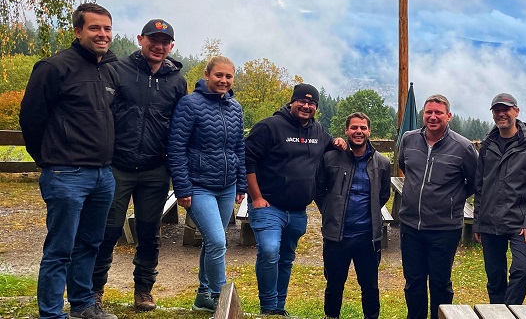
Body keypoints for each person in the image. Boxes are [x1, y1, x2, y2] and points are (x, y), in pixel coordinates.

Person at [19, 3, 119, 319]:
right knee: (60, 249)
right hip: (66, 173)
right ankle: (51, 313)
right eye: (94, 28)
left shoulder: (109, 70)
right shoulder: (53, 68)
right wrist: (48, 160)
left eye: (107, 28)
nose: (102, 34)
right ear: (78, 31)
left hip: (103, 174)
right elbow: (31, 118)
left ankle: (83, 305)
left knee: (89, 244)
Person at [92, 19, 187, 311]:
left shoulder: (177, 81)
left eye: (164, 42)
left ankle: (143, 290)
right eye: (153, 40)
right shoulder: (117, 70)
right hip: (117, 166)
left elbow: (180, 127)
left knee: (149, 232)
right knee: (107, 230)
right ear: (140, 39)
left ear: (171, 46)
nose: (158, 46)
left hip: (155, 168)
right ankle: (95, 290)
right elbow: (101, 113)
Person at [245, 83, 346, 316]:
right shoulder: (269, 127)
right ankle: (268, 306)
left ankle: (278, 307)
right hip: (268, 205)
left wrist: (338, 141)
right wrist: (256, 197)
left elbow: (330, 144)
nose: (306, 106)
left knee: (286, 259)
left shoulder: (318, 131)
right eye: (302, 101)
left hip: (298, 211)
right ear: (292, 102)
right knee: (270, 251)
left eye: (312, 103)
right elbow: (247, 158)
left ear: (316, 107)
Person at [166, 56, 246, 312]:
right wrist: (182, 187)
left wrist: (241, 184)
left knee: (212, 242)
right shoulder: (189, 104)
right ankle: (222, 300)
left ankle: (203, 295)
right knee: (218, 241)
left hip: (227, 186)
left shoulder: (235, 108)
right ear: (207, 75)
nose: (223, 80)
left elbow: (239, 148)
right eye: (218, 75)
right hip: (199, 186)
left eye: (228, 76)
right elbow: (176, 148)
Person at [398, 94, 477, 319]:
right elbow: (404, 166)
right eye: (429, 112)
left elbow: (474, 181)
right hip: (411, 225)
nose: (433, 117)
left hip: (444, 228)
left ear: (448, 116)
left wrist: (453, 199)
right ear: (423, 114)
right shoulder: (408, 140)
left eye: (438, 113)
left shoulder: (463, 147)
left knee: (440, 283)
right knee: (413, 282)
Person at [315, 112, 391, 319]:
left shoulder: (382, 163)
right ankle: (331, 316)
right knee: (334, 284)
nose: (359, 132)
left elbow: (383, 195)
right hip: (337, 235)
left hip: (367, 236)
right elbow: (319, 190)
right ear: (346, 130)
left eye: (363, 128)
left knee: (370, 286)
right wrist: (330, 210)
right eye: (354, 127)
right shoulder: (330, 158)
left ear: (369, 131)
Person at [473, 93, 526, 306]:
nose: (501, 114)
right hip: (490, 221)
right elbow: (479, 186)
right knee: (495, 278)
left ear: (516, 111)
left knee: (523, 270)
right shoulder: (488, 144)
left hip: (520, 222)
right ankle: (498, 312)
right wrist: (477, 221)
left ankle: (509, 310)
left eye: (506, 109)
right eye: (497, 110)